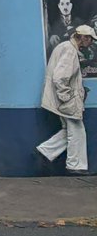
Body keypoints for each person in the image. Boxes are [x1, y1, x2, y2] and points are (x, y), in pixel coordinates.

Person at [37, 24, 94, 174]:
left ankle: (45, 151)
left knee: (70, 130)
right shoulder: (70, 50)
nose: (91, 42)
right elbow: (60, 77)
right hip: (65, 100)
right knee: (77, 131)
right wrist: (66, 96)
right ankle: (75, 166)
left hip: (61, 98)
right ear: (83, 37)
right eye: (90, 38)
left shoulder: (65, 47)